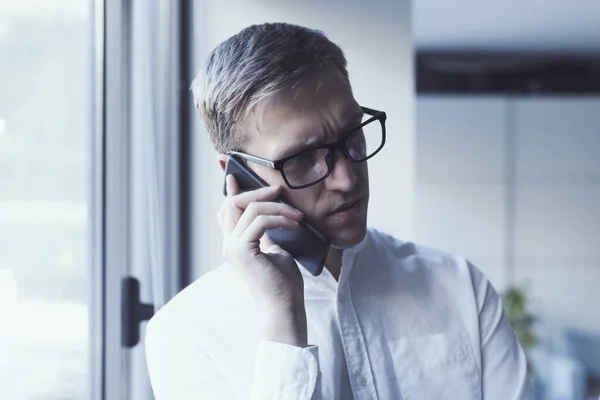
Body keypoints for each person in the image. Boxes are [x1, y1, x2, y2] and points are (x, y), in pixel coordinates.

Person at [145, 22, 535, 400]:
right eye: (300, 159)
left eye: (353, 135)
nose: (347, 179)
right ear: (239, 178)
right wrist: (283, 319)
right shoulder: (184, 334)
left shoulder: (460, 288)